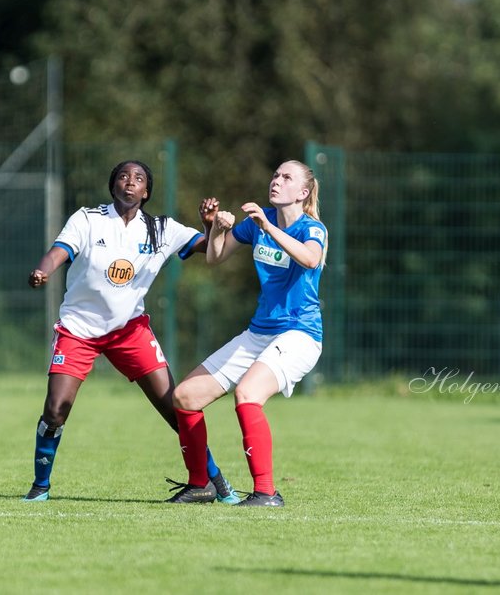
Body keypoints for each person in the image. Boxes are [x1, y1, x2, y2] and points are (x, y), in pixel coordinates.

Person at [22, 159, 240, 504]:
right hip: (79, 329)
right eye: (123, 176)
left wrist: (212, 226)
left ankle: (216, 481)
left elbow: (209, 248)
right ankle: (40, 486)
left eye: (138, 178)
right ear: (113, 186)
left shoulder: (160, 228)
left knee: (176, 408)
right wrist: (42, 269)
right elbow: (59, 251)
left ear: (146, 191)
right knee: (56, 408)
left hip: (129, 331)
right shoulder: (88, 219)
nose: (130, 182)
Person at [167, 160, 328, 507]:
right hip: (260, 332)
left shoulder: (311, 229)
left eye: (287, 178)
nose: (276, 180)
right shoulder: (257, 224)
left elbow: (310, 259)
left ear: (303, 192)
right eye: (275, 174)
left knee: (248, 393)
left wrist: (268, 226)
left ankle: (267, 493)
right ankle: (200, 485)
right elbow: (214, 257)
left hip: (300, 334)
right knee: (185, 397)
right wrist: (215, 228)